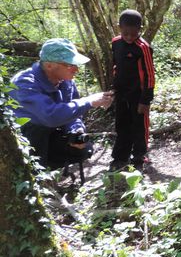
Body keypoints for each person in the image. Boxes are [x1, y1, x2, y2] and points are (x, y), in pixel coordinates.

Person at [10, 38, 114, 169]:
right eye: (70, 65)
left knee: (84, 148)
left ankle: (48, 170)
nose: (76, 69)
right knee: (37, 129)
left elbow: (71, 110)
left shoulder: (66, 81)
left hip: (51, 132)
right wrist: (89, 101)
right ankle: (33, 174)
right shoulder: (24, 83)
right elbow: (51, 116)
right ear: (49, 65)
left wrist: (75, 130)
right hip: (25, 140)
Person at [110, 9, 156, 172]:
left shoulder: (143, 47)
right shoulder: (116, 43)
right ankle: (120, 156)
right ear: (119, 28)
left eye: (133, 33)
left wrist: (146, 100)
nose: (129, 37)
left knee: (139, 125)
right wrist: (113, 89)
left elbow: (150, 75)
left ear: (140, 30)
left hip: (138, 94)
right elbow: (115, 66)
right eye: (125, 33)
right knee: (121, 124)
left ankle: (139, 154)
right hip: (121, 93)